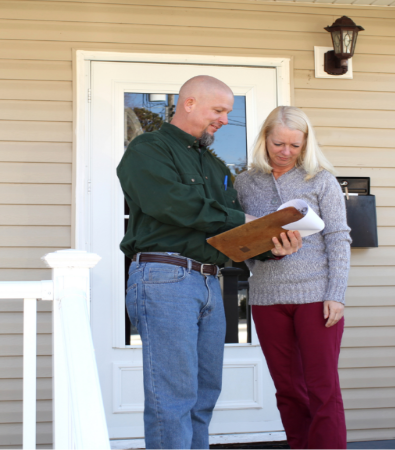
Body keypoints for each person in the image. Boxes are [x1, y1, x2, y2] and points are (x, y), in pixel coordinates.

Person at [116, 76, 302, 449]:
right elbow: (171, 204)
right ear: (188, 103)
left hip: (209, 282)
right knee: (173, 396)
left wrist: (271, 245)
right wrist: (243, 223)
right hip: (164, 276)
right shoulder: (149, 149)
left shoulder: (216, 166)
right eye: (218, 110)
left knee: (204, 393)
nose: (223, 119)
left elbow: (228, 231)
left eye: (228, 112)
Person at [234, 106, 351, 449]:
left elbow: (338, 237)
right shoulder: (244, 182)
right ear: (264, 140)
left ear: (305, 144)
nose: (285, 151)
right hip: (267, 298)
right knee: (288, 389)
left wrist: (337, 293)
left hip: (316, 297)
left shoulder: (322, 180)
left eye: (294, 145)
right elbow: (241, 240)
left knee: (323, 389)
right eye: (278, 143)